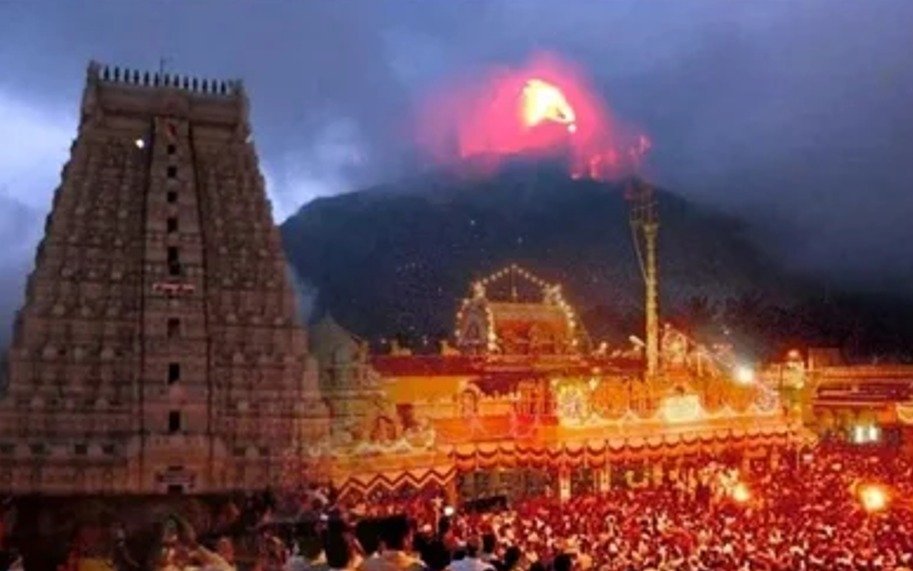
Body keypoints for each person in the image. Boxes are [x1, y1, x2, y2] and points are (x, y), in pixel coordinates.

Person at [360, 516, 424, 571]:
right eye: (411, 536)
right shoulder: (416, 567)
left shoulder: (366, 566)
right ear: (405, 539)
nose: (412, 540)